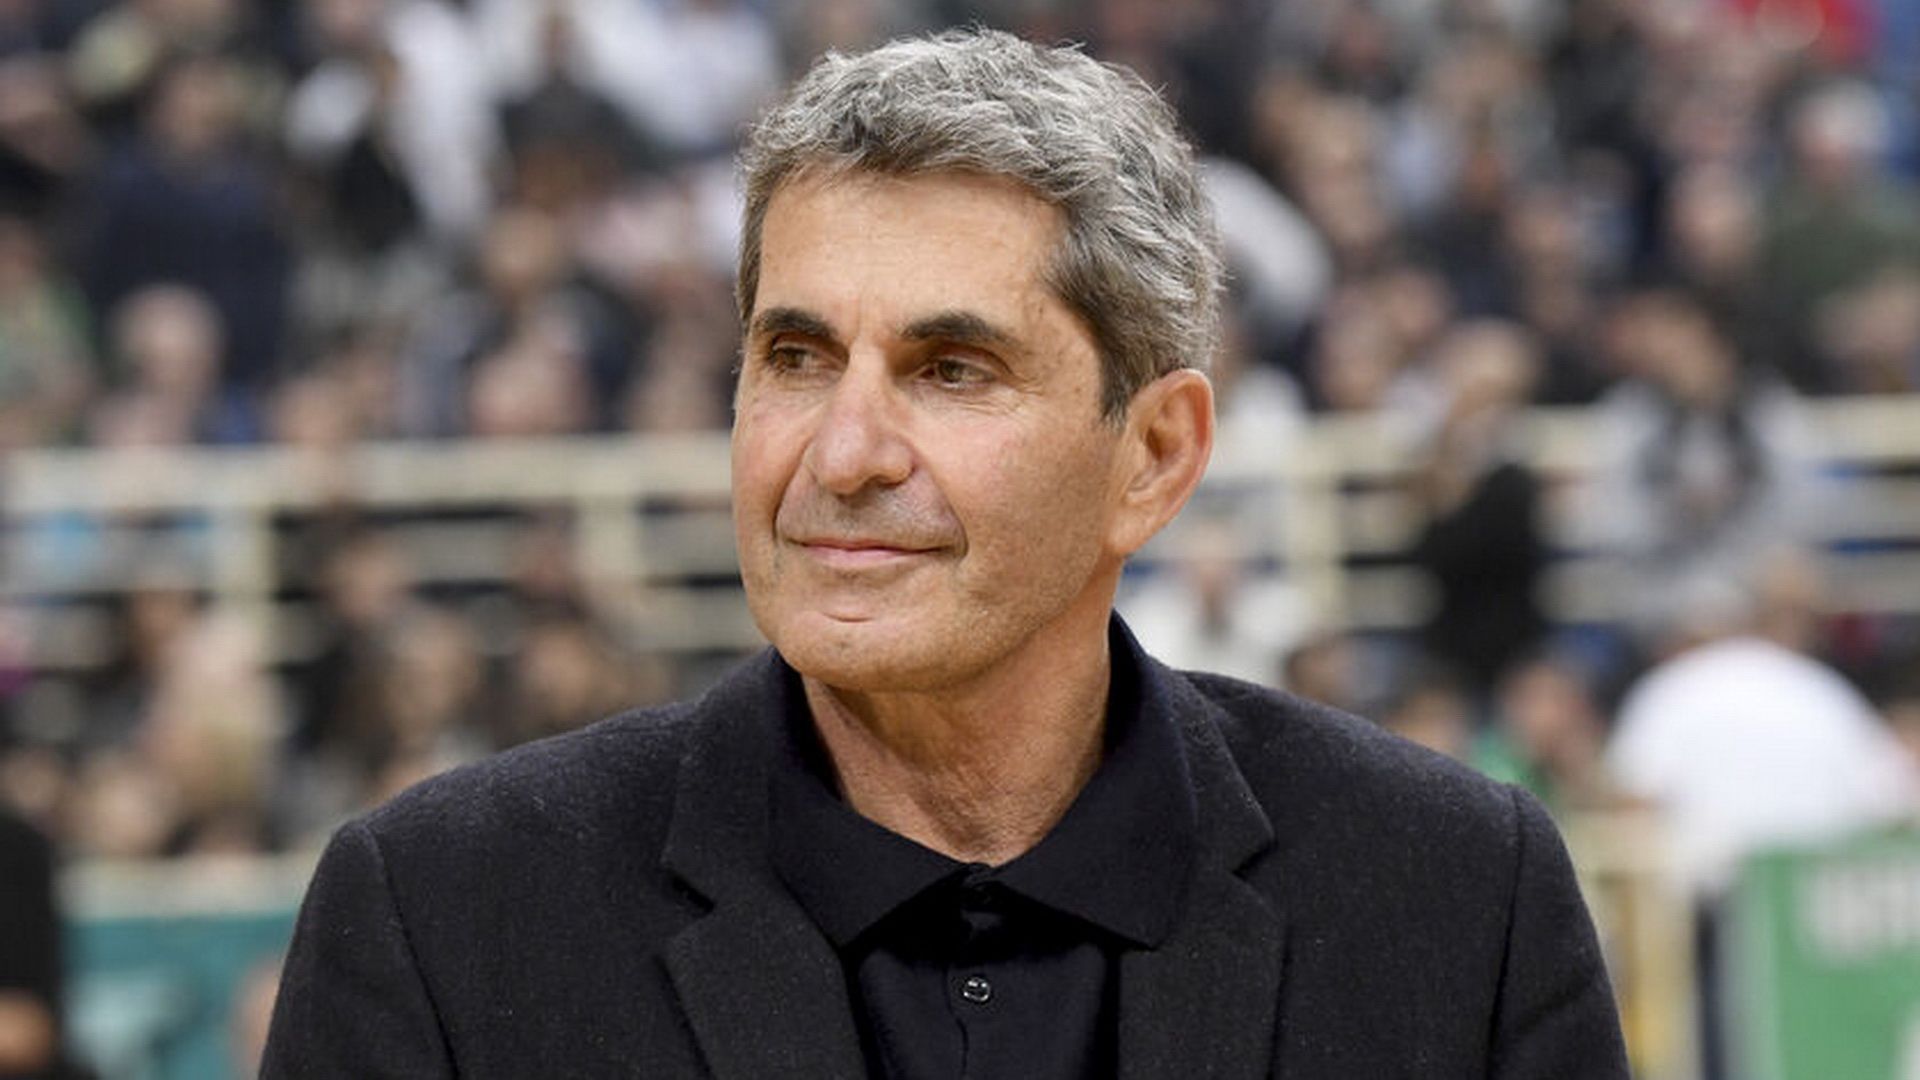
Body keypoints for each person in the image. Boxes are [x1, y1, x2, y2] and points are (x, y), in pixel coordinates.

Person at [263, 29, 1626, 1078]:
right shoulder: (445, 918)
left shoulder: (1457, 898)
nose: (844, 452)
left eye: (952, 370)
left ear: (1154, 457)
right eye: (796, 358)